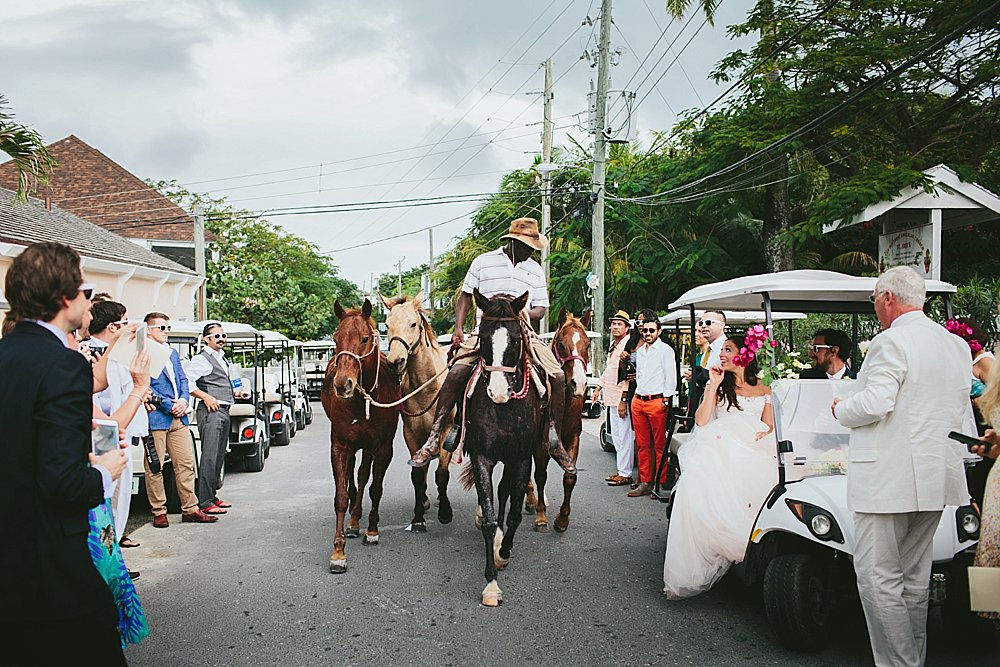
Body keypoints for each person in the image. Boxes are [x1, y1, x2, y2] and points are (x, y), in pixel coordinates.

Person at [831, 266, 974, 667]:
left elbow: (876, 403)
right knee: (914, 578)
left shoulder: (890, 341)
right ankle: (914, 659)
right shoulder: (955, 346)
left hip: (887, 478)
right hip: (937, 473)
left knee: (878, 579)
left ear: (888, 298)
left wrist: (842, 407)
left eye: (874, 298)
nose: (875, 306)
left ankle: (899, 663)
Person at [0, 242, 130, 662]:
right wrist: (103, 470)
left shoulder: (6, 355)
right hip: (50, 561)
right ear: (63, 299)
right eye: (83, 289)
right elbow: (62, 484)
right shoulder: (63, 365)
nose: (89, 300)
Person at [406, 217, 576, 473]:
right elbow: (465, 296)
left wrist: (524, 311)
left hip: (522, 332)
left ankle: (553, 436)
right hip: (484, 332)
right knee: (456, 372)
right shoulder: (483, 262)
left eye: (532, 246)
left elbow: (542, 309)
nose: (530, 250)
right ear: (512, 242)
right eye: (527, 244)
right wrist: (459, 329)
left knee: (558, 375)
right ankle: (435, 436)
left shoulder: (535, 270)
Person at [663, 334, 777, 598]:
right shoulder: (719, 386)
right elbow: (702, 421)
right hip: (721, 443)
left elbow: (769, 427)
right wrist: (712, 385)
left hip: (753, 445)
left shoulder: (765, 390)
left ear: (745, 355)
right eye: (722, 349)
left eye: (728, 349)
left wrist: (761, 436)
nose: (722, 354)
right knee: (703, 477)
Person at [143, 312, 217, 526]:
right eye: (161, 328)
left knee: (185, 463)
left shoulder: (172, 353)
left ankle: (190, 508)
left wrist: (184, 401)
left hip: (179, 416)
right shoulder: (144, 354)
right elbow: (146, 386)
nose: (166, 332)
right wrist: (170, 405)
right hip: (157, 416)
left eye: (168, 328)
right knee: (155, 467)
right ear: (148, 330)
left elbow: (183, 379)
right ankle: (159, 511)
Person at [89, 299, 148, 554]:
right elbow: (104, 412)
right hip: (102, 435)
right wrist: (139, 389)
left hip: (116, 431)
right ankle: (110, 560)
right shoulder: (86, 356)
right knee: (108, 503)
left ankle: (114, 555)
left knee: (120, 501)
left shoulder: (114, 351)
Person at [186, 322, 250, 514]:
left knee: (219, 455)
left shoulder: (223, 359)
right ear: (206, 339)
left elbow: (227, 382)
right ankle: (204, 501)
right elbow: (186, 381)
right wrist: (205, 396)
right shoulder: (201, 359)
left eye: (223, 336)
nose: (221, 339)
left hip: (223, 408)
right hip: (210, 411)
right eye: (216, 336)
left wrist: (237, 393)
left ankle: (212, 496)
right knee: (209, 456)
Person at [627, 313, 677, 498]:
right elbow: (639, 375)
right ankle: (645, 481)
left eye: (651, 330)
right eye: (645, 330)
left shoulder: (665, 350)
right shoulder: (640, 351)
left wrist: (666, 399)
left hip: (657, 401)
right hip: (639, 400)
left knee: (659, 443)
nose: (647, 333)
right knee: (641, 443)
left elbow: (670, 376)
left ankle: (660, 480)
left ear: (659, 331)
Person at [597, 310, 635, 487]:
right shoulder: (614, 344)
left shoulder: (628, 344)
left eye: (619, 324)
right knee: (617, 437)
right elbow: (609, 369)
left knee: (624, 436)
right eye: (613, 324)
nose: (615, 327)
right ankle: (621, 470)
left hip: (621, 397)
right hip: (610, 396)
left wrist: (623, 400)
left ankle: (626, 473)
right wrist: (599, 386)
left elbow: (628, 374)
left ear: (627, 327)